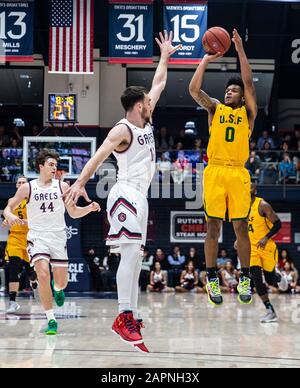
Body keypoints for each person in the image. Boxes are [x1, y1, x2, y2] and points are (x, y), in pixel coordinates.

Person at [63, 31, 180, 353]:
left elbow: (158, 82)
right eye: (148, 103)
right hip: (125, 191)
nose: (152, 103)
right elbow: (98, 155)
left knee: (136, 254)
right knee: (129, 254)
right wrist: (80, 182)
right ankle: (123, 314)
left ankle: (133, 315)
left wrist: (165, 56)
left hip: (140, 195)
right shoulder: (122, 129)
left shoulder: (145, 121)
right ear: (139, 106)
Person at [189, 29, 257, 306]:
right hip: (215, 170)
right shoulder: (214, 109)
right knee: (212, 228)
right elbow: (193, 90)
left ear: (241, 97)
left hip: (238, 172)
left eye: (234, 90)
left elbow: (249, 82)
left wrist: (239, 48)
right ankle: (212, 276)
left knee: (241, 227)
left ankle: (245, 276)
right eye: (227, 90)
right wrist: (206, 59)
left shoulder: (248, 113)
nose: (229, 92)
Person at [3, 149, 100, 335]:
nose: (54, 168)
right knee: (42, 274)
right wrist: (9, 215)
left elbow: (73, 212)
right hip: (37, 237)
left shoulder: (62, 187)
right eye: (51, 164)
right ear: (41, 166)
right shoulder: (28, 187)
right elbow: (9, 207)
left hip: (57, 237)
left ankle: (58, 289)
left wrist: (88, 208)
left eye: (56, 165)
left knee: (61, 282)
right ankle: (51, 319)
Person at [246, 183, 288, 323]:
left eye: (251, 187)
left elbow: (278, 224)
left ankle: (278, 277)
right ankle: (270, 310)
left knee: (269, 279)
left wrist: (266, 237)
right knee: (257, 279)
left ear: (255, 190)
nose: (248, 190)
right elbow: (242, 227)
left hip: (266, 246)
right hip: (251, 249)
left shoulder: (263, 205)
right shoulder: (240, 207)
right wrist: (239, 240)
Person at [2, 176, 39, 313]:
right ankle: (12, 302)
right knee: (14, 267)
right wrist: (6, 222)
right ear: (17, 186)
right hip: (14, 238)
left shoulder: (33, 200)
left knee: (30, 270)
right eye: (19, 182)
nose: (22, 184)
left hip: (29, 238)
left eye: (24, 182)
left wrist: (25, 222)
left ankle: (34, 282)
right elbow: (6, 218)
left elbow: (39, 220)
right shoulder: (11, 201)